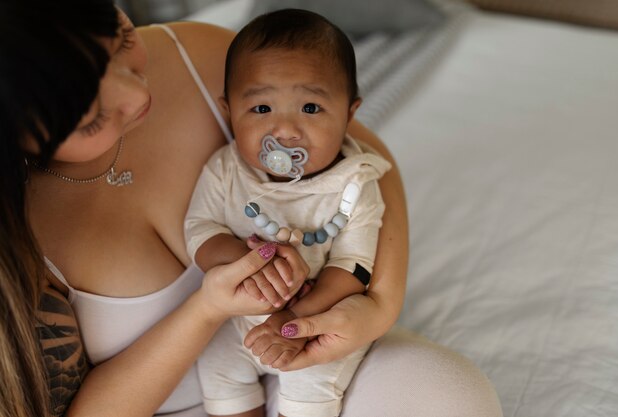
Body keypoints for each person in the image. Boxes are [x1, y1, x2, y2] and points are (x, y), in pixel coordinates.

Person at [0, 1, 503, 417]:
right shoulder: (18, 233)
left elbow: (364, 161)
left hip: (313, 355)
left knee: (449, 398)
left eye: (123, 40)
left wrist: (378, 306)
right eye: (94, 118)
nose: (137, 95)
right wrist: (209, 307)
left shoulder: (196, 55)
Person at [185, 10, 392, 417]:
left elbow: (353, 268)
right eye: (261, 108)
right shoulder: (226, 169)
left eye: (311, 108)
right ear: (229, 111)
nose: (284, 131)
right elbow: (199, 228)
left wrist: (293, 320)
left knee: (313, 385)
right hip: (237, 317)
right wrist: (246, 262)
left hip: (318, 323)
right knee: (216, 367)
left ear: (350, 113)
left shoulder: (355, 183)